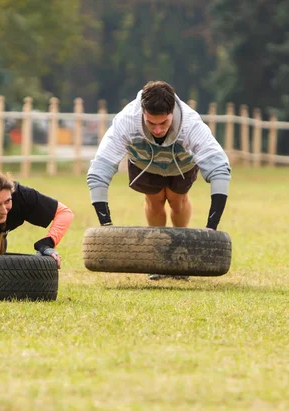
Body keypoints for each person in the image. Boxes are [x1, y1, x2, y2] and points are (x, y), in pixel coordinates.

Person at [87, 81, 231, 280]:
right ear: (143, 113)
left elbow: (219, 169)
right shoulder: (126, 121)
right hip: (144, 159)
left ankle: (180, 256)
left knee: (177, 201)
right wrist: (106, 226)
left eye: (163, 123)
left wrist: (211, 227)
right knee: (154, 201)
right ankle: (159, 258)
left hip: (182, 162)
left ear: (172, 112)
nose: (157, 130)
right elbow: (99, 171)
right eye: (151, 123)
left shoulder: (191, 124)